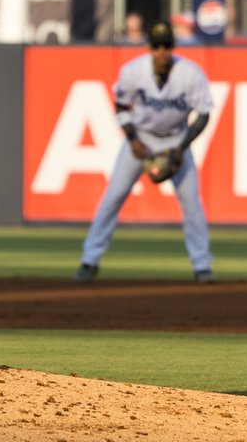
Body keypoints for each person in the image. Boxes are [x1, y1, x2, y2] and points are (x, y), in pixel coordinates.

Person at [75, 21, 214, 284]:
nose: (162, 51)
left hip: (176, 139)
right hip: (142, 139)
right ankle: (89, 260)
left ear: (173, 47)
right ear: (149, 47)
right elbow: (120, 105)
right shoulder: (133, 71)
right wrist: (132, 139)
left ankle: (202, 266)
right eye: (156, 46)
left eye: (166, 46)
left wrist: (180, 149)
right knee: (113, 196)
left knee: (192, 203)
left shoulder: (190, 74)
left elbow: (204, 115)